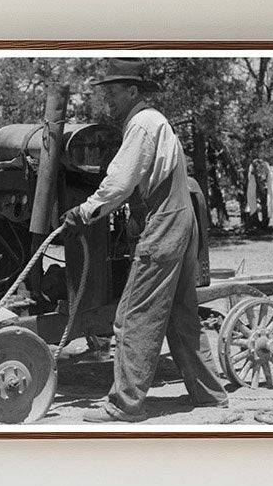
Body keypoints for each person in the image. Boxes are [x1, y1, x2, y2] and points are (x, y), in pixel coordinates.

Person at [62, 59, 227, 422]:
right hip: (181, 219)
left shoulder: (141, 124)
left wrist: (85, 212)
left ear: (133, 91)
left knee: (132, 316)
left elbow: (120, 181)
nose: (107, 100)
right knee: (181, 314)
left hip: (165, 222)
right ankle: (210, 394)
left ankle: (125, 405)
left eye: (113, 92)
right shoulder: (154, 121)